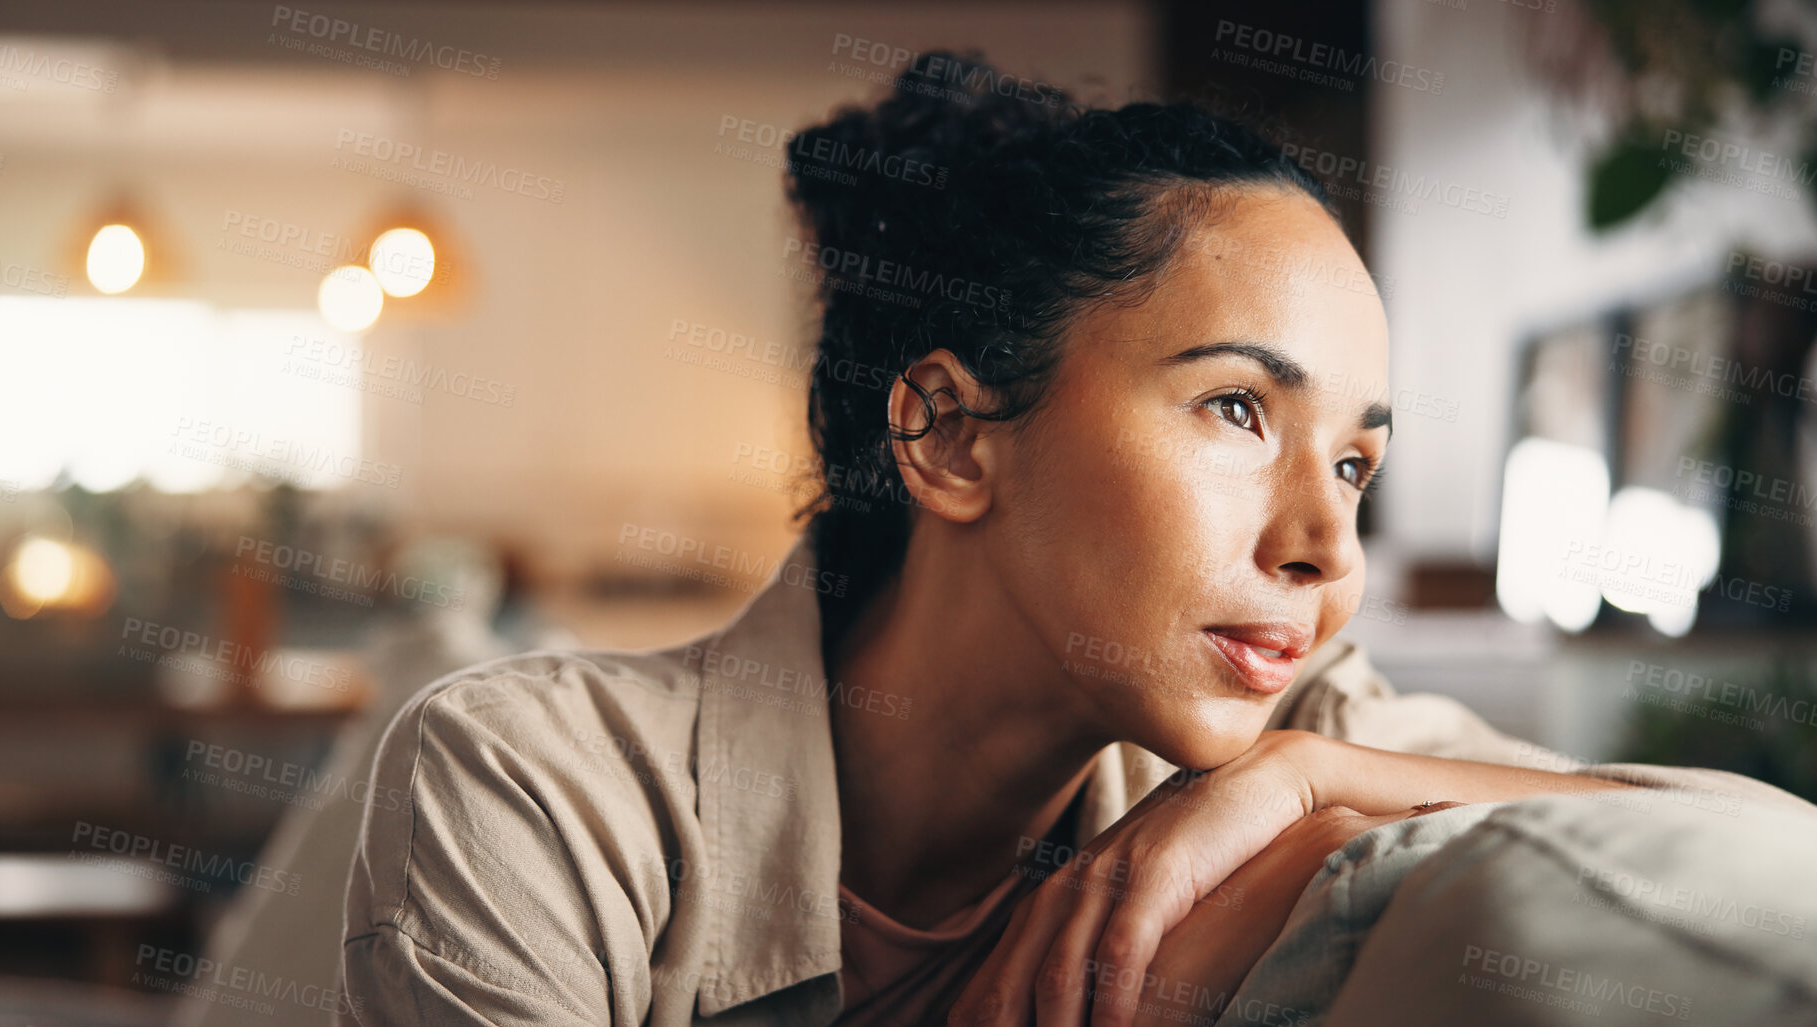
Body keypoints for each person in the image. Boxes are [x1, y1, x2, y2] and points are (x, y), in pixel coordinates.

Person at [338, 52, 1813, 1026]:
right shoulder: (538, 787)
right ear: (950, 436)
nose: (1329, 547)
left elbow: (1765, 855)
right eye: (1237, 408)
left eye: (1357, 463)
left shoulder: (1293, 735)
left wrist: (1318, 777)